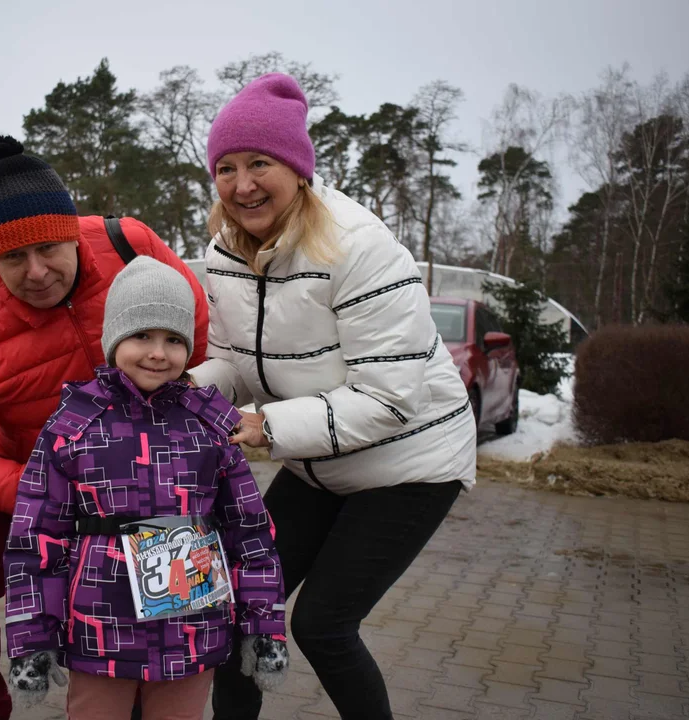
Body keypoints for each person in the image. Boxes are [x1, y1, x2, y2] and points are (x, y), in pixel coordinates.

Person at [191, 73, 478, 720]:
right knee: (239, 608)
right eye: (226, 168)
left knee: (321, 624)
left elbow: (387, 399)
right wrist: (184, 394)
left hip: (409, 461)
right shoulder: (225, 252)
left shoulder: (360, 248)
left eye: (259, 163)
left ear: (295, 166)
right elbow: (233, 362)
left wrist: (264, 428)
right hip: (315, 457)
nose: (242, 185)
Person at [0, 135, 210, 720]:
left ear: (73, 231)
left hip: (145, 464)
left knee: (164, 595)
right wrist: (31, 487)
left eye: (48, 247)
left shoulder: (129, 245)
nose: (37, 272)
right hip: (28, 467)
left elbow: (194, 329)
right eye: (13, 259)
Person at [2, 257, 289, 720]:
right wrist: (32, 634)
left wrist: (264, 623)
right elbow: (34, 538)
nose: (158, 353)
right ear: (114, 339)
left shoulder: (211, 426)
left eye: (174, 340)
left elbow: (250, 532)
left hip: (191, 628)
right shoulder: (74, 426)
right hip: (101, 628)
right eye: (142, 336)